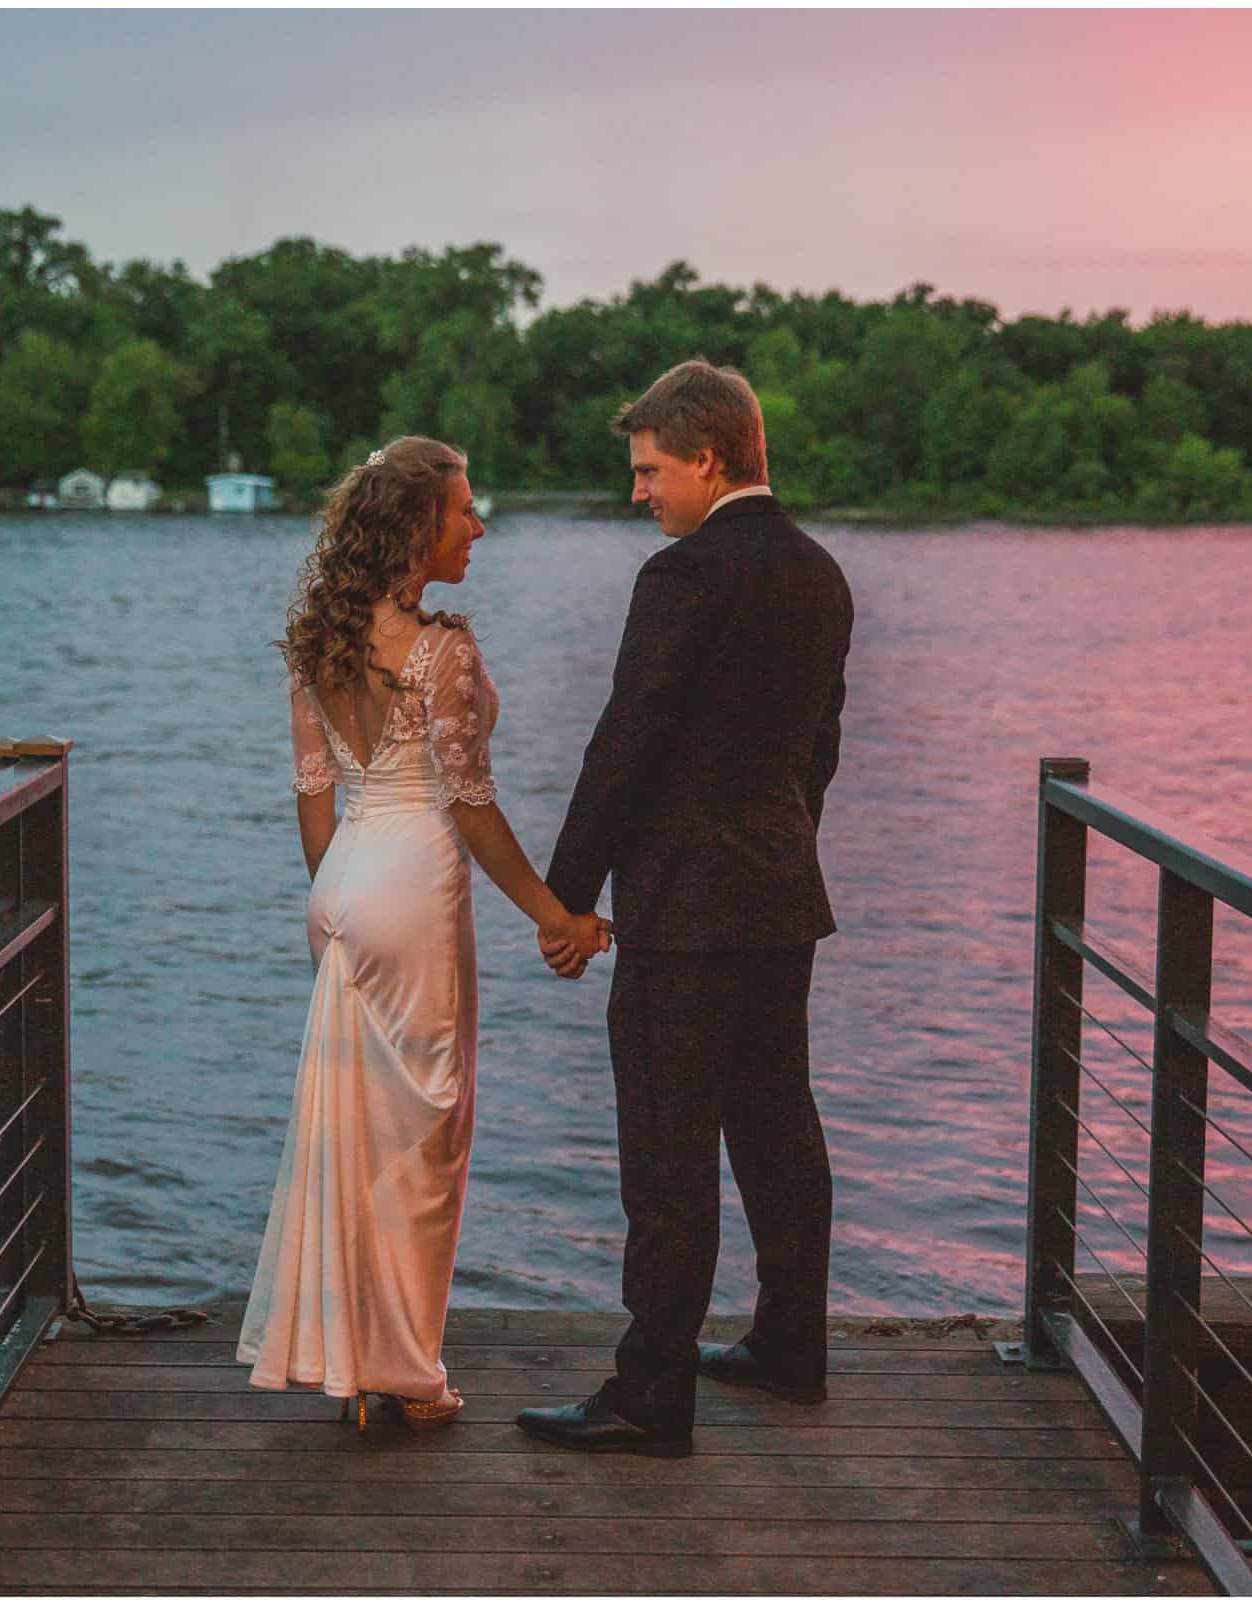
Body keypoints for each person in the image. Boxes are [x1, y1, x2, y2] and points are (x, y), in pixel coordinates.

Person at [238, 436, 612, 1431]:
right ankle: (407, 1378)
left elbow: (315, 794)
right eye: (464, 511)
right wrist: (558, 916)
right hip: (412, 886)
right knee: (426, 1141)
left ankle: (358, 1366)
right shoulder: (442, 651)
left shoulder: (320, 634)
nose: (479, 526)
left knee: (357, 1136)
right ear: (417, 530)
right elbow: (473, 806)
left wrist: (336, 914)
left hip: (345, 882)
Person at [516, 360, 854, 1458]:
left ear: (709, 459)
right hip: (779, 897)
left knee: (667, 1153)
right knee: (777, 1130)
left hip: (687, 915)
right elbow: (819, 751)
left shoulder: (682, 577)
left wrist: (565, 898)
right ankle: (789, 1346)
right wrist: (776, 846)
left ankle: (652, 1394)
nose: (640, 493)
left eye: (651, 470)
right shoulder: (821, 574)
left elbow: (628, 745)